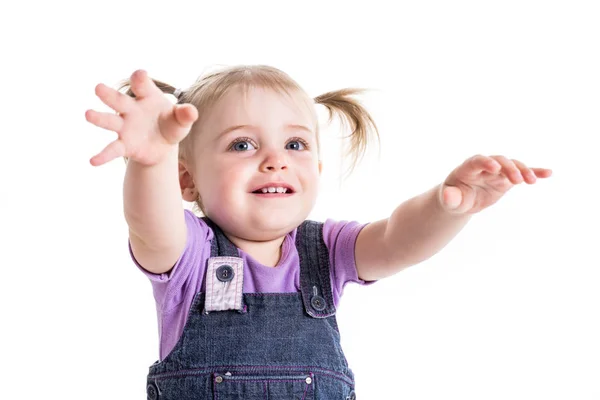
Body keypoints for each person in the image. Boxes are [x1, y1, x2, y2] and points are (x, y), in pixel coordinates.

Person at [85, 65, 552, 399]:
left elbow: (395, 240)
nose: (275, 159)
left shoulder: (324, 251)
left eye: (295, 143)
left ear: (318, 168)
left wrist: (447, 207)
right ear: (186, 179)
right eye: (242, 144)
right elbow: (151, 225)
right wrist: (153, 163)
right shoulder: (191, 255)